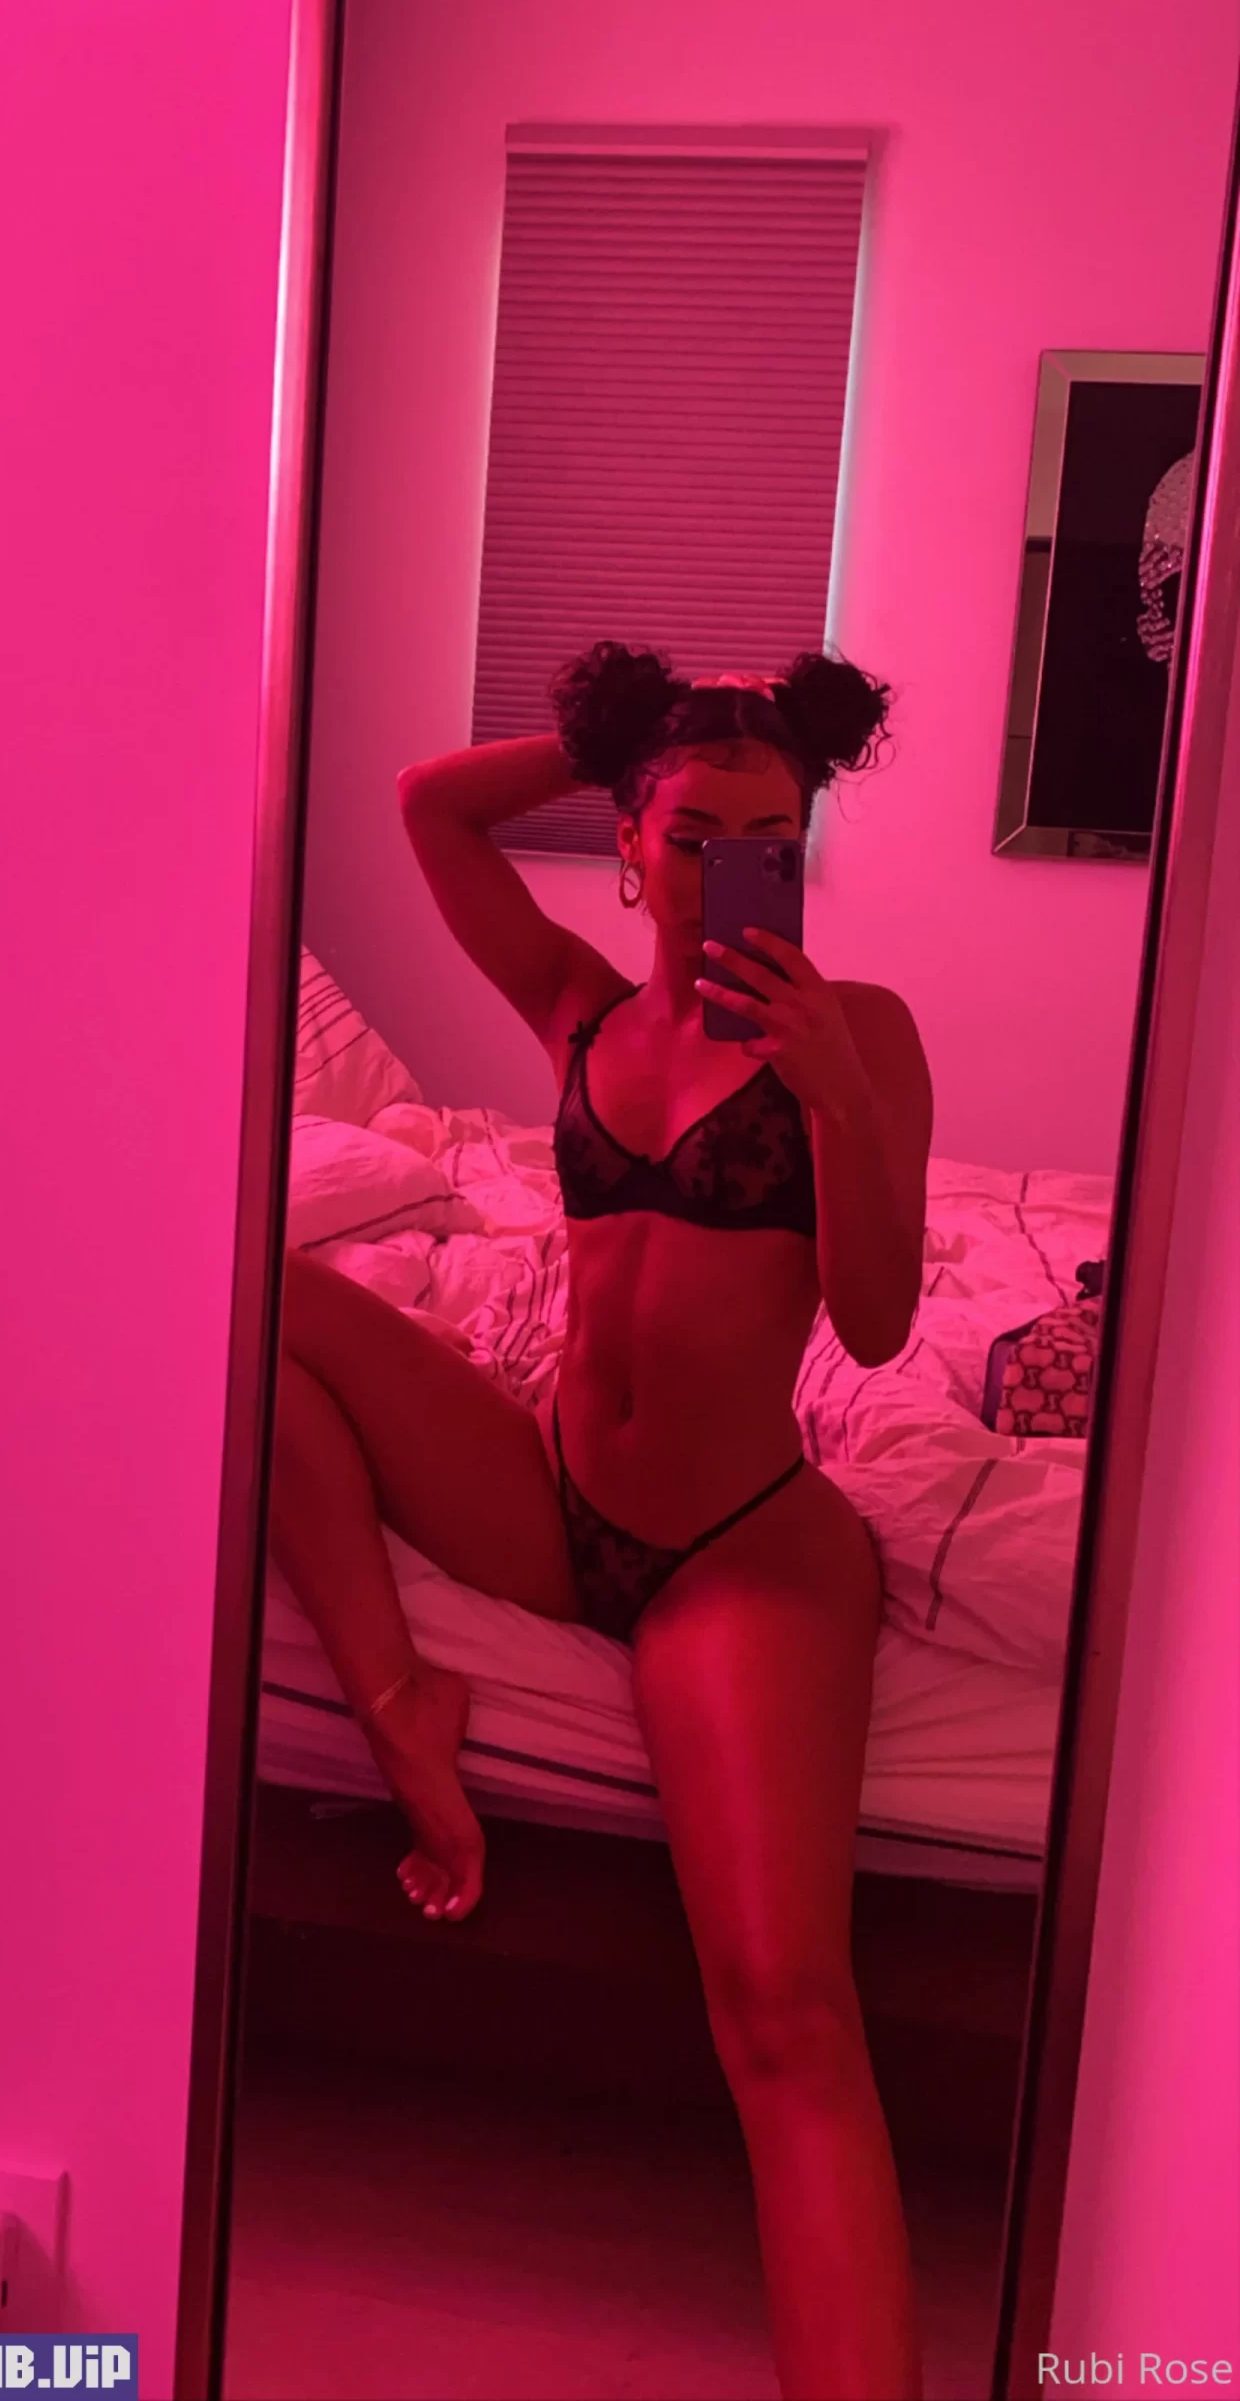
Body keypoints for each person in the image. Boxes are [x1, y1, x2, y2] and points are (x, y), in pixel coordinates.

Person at [272, 640, 933, 2401]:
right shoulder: (578, 1009)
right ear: (632, 845)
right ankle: (404, 1708)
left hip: (739, 1550)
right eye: (695, 838)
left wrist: (833, 1098)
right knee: (254, 1303)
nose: (729, 875)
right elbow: (429, 804)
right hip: (555, 1490)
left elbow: (877, 1326)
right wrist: (625, 742)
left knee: (785, 2020)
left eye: (771, 843)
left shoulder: (861, 1033)